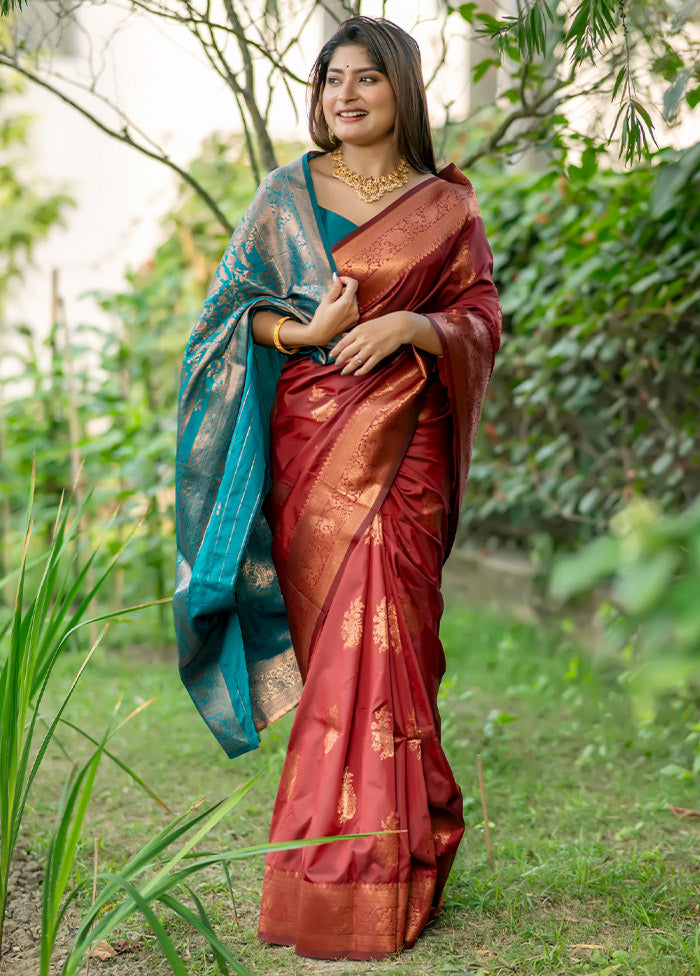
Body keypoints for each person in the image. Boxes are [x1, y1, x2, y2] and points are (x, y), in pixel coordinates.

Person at [174, 15, 501, 961]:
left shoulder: (447, 205)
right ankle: (353, 865)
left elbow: (479, 315)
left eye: (365, 78)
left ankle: (384, 865)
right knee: (343, 655)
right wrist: (309, 337)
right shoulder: (285, 195)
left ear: (402, 89)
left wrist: (411, 331)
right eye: (330, 80)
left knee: (395, 642)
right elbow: (220, 327)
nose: (344, 95)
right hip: (312, 447)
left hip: (411, 450)